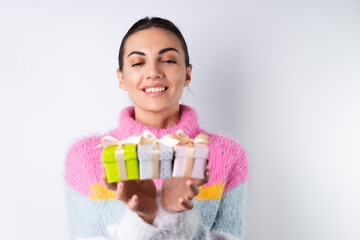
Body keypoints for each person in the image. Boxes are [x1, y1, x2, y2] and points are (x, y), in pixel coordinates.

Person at [65, 16, 248, 240]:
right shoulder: (85, 158)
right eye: (138, 63)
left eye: (168, 60)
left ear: (188, 73)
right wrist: (142, 220)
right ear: (121, 78)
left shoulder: (228, 154)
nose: (153, 72)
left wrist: (177, 215)